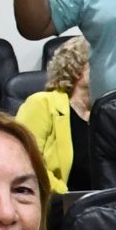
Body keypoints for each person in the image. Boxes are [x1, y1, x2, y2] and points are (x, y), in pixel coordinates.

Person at [14, 32, 94, 194]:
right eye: (98, 63)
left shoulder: (108, 111)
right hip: (57, 201)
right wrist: (65, 196)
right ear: (75, 69)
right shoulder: (42, 104)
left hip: (107, 202)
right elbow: (25, 161)